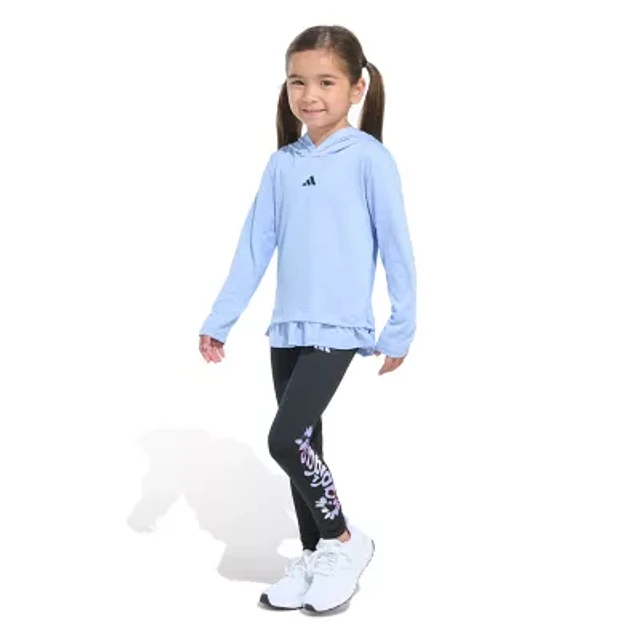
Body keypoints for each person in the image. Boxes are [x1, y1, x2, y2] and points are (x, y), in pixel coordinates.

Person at [198, 25, 417, 614]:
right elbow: (254, 247)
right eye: (298, 82)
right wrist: (221, 318)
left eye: (326, 82)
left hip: (339, 328)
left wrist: (401, 325)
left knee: (284, 440)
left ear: (357, 88)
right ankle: (315, 553)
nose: (310, 94)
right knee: (306, 441)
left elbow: (396, 247)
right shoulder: (283, 165)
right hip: (288, 328)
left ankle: (345, 540)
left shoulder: (370, 159)